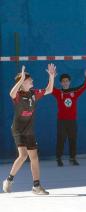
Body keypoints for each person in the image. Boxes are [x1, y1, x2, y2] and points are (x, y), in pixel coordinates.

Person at [2, 64, 56, 195]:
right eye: (29, 80)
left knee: (34, 157)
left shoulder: (34, 94)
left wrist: (51, 76)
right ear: (23, 83)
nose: (32, 81)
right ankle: (8, 180)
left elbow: (49, 90)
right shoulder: (18, 95)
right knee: (23, 155)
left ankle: (36, 186)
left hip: (29, 130)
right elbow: (11, 93)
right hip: (18, 129)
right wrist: (20, 79)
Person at [52, 70, 86, 166]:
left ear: (69, 82)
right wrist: (51, 77)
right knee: (61, 140)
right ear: (61, 83)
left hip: (72, 121)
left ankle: (72, 158)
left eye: (67, 81)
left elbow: (84, 86)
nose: (65, 82)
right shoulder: (58, 93)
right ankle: (59, 158)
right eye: (63, 81)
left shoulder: (75, 92)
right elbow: (50, 88)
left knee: (73, 139)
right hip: (61, 121)